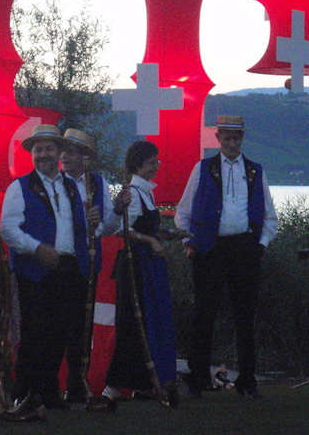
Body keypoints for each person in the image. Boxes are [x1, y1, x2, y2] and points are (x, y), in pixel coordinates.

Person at [175, 115, 278, 399]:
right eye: (227, 137)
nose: (232, 143)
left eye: (237, 138)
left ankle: (247, 380)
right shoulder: (203, 168)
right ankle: (197, 379)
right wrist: (189, 241)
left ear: (242, 139)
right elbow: (183, 211)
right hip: (209, 250)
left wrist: (261, 245)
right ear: (218, 138)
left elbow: (270, 216)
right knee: (203, 315)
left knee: (245, 316)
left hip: (245, 249)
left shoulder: (255, 171)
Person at [0, 124, 99, 411]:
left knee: (60, 333)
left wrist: (92, 222)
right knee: (34, 333)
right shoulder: (19, 187)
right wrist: (37, 248)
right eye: (38, 149)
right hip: (34, 270)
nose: (43, 154)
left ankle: (49, 392)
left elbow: (80, 228)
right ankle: (23, 393)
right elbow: (8, 229)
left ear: (59, 152)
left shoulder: (72, 187)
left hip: (68, 267)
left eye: (49, 149)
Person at [94, 140, 178, 409]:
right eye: (152, 163)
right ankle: (113, 386)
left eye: (156, 162)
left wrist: (167, 234)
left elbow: (145, 227)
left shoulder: (146, 193)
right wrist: (150, 241)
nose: (156, 167)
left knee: (150, 322)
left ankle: (143, 382)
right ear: (138, 165)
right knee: (133, 323)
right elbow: (124, 229)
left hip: (149, 266)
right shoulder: (132, 193)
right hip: (135, 266)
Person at [59, 128, 128, 404]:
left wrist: (116, 211)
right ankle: (56, 383)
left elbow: (108, 228)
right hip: (62, 258)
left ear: (84, 157)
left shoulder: (97, 183)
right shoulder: (56, 182)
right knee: (60, 323)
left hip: (88, 260)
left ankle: (77, 383)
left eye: (71, 152)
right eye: (64, 152)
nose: (65, 157)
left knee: (82, 324)